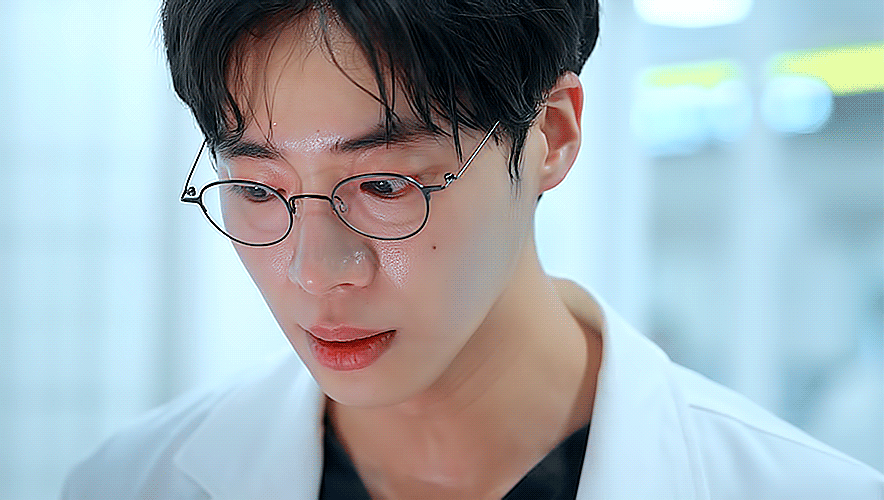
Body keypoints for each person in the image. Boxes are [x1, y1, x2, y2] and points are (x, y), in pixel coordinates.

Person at [61, 1, 884, 498]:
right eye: (256, 189)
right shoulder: (129, 482)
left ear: (552, 135)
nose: (314, 271)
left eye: (385, 185)